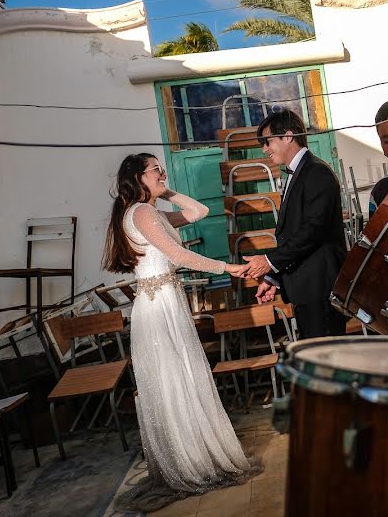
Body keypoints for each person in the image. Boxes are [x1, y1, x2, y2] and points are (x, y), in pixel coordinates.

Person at [103, 153, 259, 513]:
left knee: (182, 377)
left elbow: (199, 212)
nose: (163, 172)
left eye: (162, 168)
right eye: (156, 169)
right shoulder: (142, 212)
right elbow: (179, 255)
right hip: (159, 307)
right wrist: (227, 267)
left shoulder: (149, 210)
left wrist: (163, 189)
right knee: (174, 378)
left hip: (163, 301)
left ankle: (194, 453)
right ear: (137, 177)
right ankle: (187, 461)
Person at [243, 108, 348, 339]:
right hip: (304, 289)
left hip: (320, 288)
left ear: (288, 136)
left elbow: (313, 231)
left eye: (268, 141)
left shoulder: (317, 172)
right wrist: (274, 278)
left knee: (328, 364)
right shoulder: (297, 173)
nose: (265, 149)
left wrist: (269, 262)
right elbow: (292, 235)